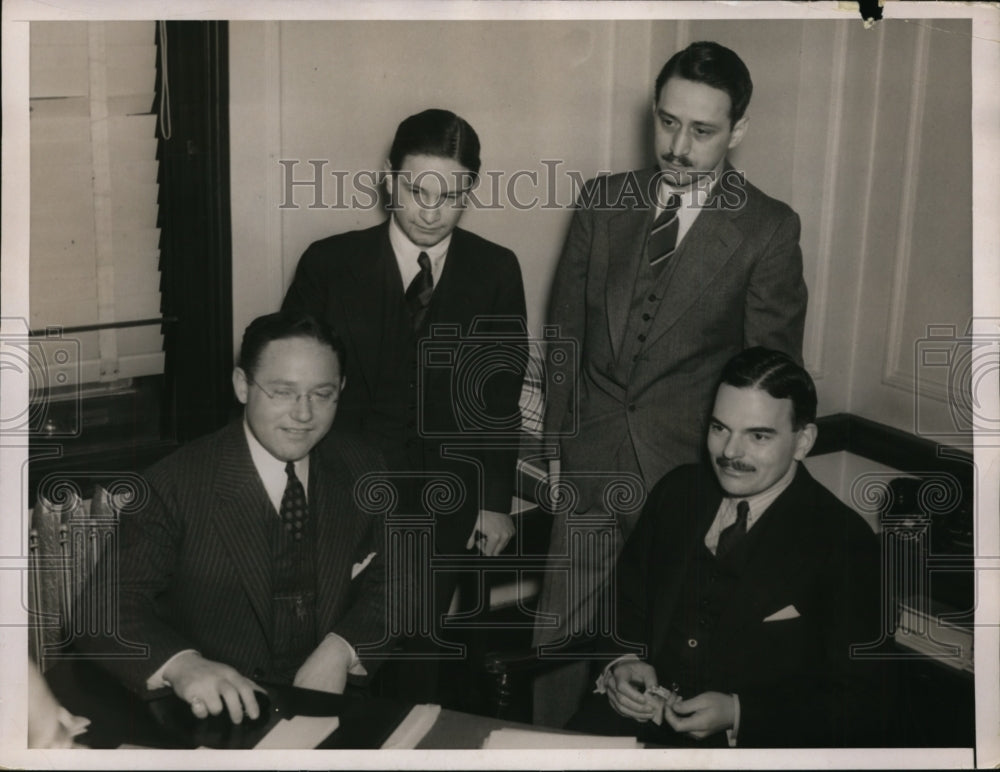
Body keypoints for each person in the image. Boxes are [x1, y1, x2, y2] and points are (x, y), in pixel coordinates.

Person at [534, 40, 809, 725]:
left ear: (738, 130)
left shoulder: (767, 229)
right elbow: (564, 334)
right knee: (558, 641)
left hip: (691, 474)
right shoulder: (603, 202)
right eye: (666, 122)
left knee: (664, 658)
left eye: (703, 131)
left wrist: (738, 486)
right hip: (592, 462)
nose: (678, 147)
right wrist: (557, 448)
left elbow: (771, 377)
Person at [282, 108, 527, 701]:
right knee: (332, 654)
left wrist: (494, 503)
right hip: (343, 492)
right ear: (390, 180)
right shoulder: (330, 263)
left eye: (452, 193)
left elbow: (499, 396)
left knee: (417, 660)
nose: (431, 209)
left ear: (471, 189)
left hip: (447, 499)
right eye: (418, 189)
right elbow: (292, 387)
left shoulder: (496, 270)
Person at [78, 311, 398, 723]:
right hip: (212, 716)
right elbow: (104, 612)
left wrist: (343, 647)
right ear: (242, 386)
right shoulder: (173, 485)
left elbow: (401, 576)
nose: (304, 415)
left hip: (336, 706)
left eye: (322, 394)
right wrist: (184, 666)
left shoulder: (363, 465)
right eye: (283, 392)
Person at [567, 347, 889, 747]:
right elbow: (626, 600)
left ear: (803, 441)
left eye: (758, 436)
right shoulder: (677, 492)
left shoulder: (844, 541)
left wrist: (739, 713)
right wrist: (623, 662)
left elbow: (859, 701)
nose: (730, 453)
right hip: (629, 726)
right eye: (720, 428)